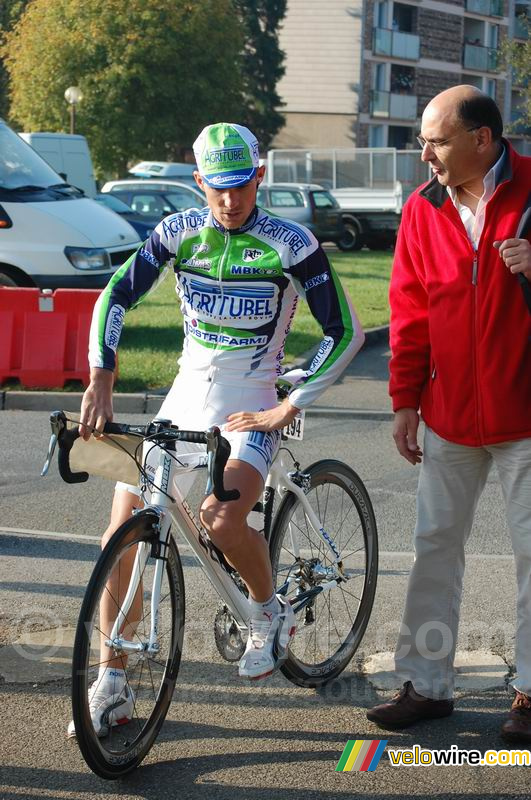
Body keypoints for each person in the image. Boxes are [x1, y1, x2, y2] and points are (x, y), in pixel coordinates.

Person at [68, 122, 364, 737]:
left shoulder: (291, 242)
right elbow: (114, 297)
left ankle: (267, 612)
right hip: (183, 398)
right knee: (119, 535)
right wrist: (101, 376)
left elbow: (345, 333)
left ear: (259, 176)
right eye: (217, 189)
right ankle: (112, 680)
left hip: (251, 403)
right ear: (198, 182)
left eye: (241, 186)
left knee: (222, 519)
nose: (230, 201)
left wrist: (291, 400)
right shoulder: (179, 232)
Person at [366, 86, 531, 741]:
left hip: (526, 414)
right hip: (448, 414)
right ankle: (426, 686)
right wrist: (404, 400)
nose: (423, 152)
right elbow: (408, 313)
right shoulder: (421, 208)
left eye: (434, 139)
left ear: (482, 140)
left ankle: (528, 694)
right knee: (434, 548)